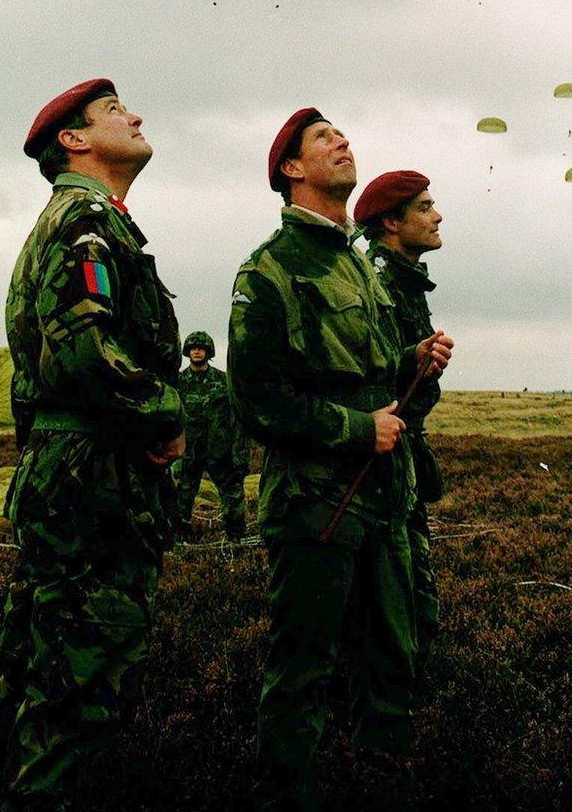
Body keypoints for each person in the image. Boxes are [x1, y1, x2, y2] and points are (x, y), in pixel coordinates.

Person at [227, 108, 453, 811]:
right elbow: (256, 400)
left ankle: (383, 782)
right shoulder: (270, 269)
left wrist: (414, 362)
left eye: (342, 134)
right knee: (304, 672)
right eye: (324, 138)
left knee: (392, 656)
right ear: (292, 170)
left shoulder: (357, 265)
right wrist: (356, 430)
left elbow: (371, 371)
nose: (342, 142)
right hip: (316, 506)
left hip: (383, 500)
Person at [0, 78, 184, 812]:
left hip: (70, 479)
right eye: (115, 112)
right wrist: (165, 413)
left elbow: (31, 388)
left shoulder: (78, 222)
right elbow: (79, 355)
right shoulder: (87, 224)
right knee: (80, 696)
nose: (136, 116)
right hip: (96, 488)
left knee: (33, 676)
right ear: (76, 139)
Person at [353, 171, 445, 683]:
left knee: (409, 604)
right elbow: (363, 375)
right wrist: (410, 362)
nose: (438, 215)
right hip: (377, 466)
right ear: (391, 222)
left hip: (398, 460)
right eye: (425, 207)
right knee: (397, 607)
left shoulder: (405, 281)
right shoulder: (380, 283)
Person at [175, 330, 249, 541]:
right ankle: (182, 539)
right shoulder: (178, 382)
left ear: (208, 352)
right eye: (193, 348)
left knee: (233, 495)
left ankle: (236, 538)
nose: (197, 351)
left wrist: (239, 453)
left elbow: (237, 419)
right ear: (187, 352)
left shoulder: (224, 381)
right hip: (189, 451)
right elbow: (173, 419)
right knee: (181, 497)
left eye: (201, 348)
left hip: (220, 450)